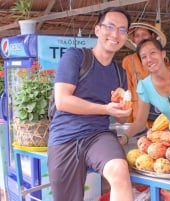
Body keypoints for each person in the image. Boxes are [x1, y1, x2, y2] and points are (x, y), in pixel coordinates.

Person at [48, 7, 133, 201]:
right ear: (97, 30)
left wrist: (121, 109)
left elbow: (122, 117)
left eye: (122, 30)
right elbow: (62, 101)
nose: (115, 34)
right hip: (65, 136)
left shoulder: (119, 73)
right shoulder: (76, 57)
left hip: (97, 135)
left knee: (120, 171)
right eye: (110, 27)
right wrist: (104, 108)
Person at [122, 22, 167, 127]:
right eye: (137, 35)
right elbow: (127, 90)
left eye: (144, 34)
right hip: (137, 115)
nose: (140, 38)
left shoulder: (161, 58)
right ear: (134, 39)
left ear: (152, 36)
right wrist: (128, 120)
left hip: (160, 117)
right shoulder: (128, 61)